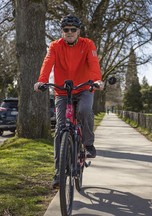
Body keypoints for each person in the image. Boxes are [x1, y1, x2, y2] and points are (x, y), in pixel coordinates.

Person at [34, 14, 103, 189]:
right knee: (60, 128)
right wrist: (41, 80)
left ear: (79, 31)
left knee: (85, 110)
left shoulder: (88, 44)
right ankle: (58, 173)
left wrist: (97, 80)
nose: (70, 32)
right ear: (62, 32)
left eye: (73, 29)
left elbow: (94, 63)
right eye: (66, 30)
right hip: (62, 91)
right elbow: (47, 62)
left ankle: (87, 143)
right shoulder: (55, 46)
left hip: (84, 88)